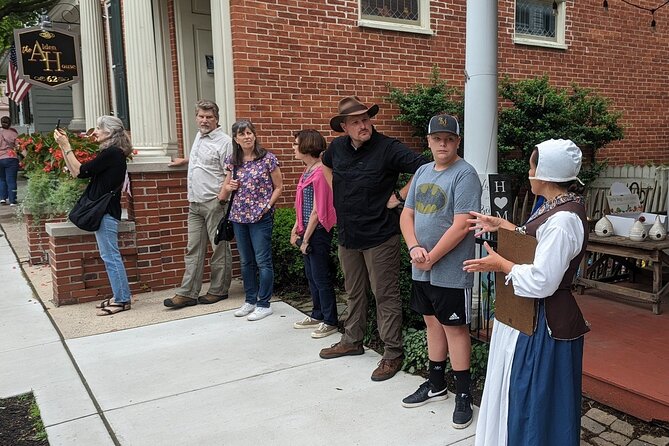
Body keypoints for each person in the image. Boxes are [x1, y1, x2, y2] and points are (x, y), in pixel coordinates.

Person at [463, 139, 590, 446]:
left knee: (533, 401)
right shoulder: (555, 206)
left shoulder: (563, 220)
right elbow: (534, 242)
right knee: (522, 395)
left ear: (544, 174)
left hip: (543, 326)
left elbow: (542, 279)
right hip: (526, 317)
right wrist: (503, 225)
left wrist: (500, 264)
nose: (529, 171)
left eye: (532, 166)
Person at [319, 95, 429, 382]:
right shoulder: (337, 148)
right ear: (344, 126)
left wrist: (399, 196)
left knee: (385, 295)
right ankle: (352, 340)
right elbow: (325, 165)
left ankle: (393, 352)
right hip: (348, 234)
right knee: (354, 291)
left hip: (381, 235)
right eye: (355, 122)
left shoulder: (388, 148)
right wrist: (336, 190)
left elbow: (424, 168)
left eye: (366, 119)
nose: (363, 125)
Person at [399, 114, 481, 429]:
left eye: (449, 138)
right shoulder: (421, 172)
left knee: (455, 329)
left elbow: (462, 225)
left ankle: (462, 394)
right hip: (422, 266)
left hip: (450, 270)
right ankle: (436, 384)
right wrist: (414, 249)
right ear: (429, 140)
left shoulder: (465, 174)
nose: (443, 144)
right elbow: (406, 215)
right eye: (437, 138)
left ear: (457, 141)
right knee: (432, 323)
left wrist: (432, 256)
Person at [54, 116, 133, 316]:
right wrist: (64, 147)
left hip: (106, 213)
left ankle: (122, 299)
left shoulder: (113, 153)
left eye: (99, 128)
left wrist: (67, 145)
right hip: (104, 212)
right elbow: (77, 173)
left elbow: (81, 169)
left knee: (110, 256)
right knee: (109, 256)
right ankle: (119, 296)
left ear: (110, 133)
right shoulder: (110, 153)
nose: (94, 131)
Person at [164, 100, 233, 309]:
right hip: (194, 202)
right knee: (193, 248)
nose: (204, 120)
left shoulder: (225, 142)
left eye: (209, 117)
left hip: (214, 202)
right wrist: (185, 160)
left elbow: (230, 171)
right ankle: (188, 293)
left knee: (219, 248)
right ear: (196, 117)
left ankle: (218, 290)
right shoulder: (199, 136)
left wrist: (221, 198)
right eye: (201, 116)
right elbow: (204, 160)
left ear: (216, 119)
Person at [221, 120, 283, 321]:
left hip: (260, 218)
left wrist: (266, 207)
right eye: (242, 134)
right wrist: (229, 187)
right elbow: (222, 195)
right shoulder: (233, 161)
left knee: (262, 261)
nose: (247, 137)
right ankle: (250, 300)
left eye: (249, 133)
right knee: (246, 261)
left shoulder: (267, 159)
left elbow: (279, 187)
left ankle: (264, 304)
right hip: (239, 217)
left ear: (254, 135)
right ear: (236, 139)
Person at [290, 129, 338, 338]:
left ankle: (330, 320)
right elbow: (301, 206)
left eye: (295, 144)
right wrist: (295, 229)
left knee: (321, 277)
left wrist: (306, 239)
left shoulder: (320, 172)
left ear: (307, 147)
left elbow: (318, 210)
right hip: (306, 231)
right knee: (311, 276)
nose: (293, 147)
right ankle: (317, 314)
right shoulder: (307, 171)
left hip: (317, 233)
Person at [0, 116, 19, 206]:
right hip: (11, 158)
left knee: (1, 179)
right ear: (10, 123)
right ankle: (12, 200)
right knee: (11, 180)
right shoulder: (13, 134)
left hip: (0, 158)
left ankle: (2, 198)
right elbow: (20, 147)